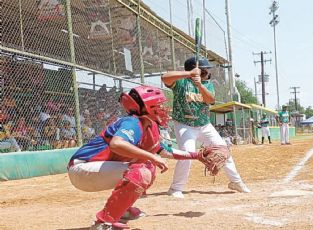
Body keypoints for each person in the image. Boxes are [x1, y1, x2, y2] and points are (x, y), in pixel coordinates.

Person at [68, 85, 184, 229]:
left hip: (97, 170)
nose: (162, 108)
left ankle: (122, 211)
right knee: (142, 171)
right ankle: (104, 222)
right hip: (82, 168)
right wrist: (152, 157)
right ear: (145, 106)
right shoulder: (133, 122)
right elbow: (116, 144)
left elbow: (165, 152)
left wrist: (197, 155)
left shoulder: (149, 126)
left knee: (148, 167)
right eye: (157, 104)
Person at [161, 56, 251, 198]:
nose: (207, 74)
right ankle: (175, 188)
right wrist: (189, 74)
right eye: (204, 71)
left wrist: (200, 85)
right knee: (187, 154)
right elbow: (165, 77)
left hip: (204, 125)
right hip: (184, 124)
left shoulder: (207, 84)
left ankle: (236, 182)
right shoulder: (180, 82)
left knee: (222, 150)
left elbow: (210, 100)